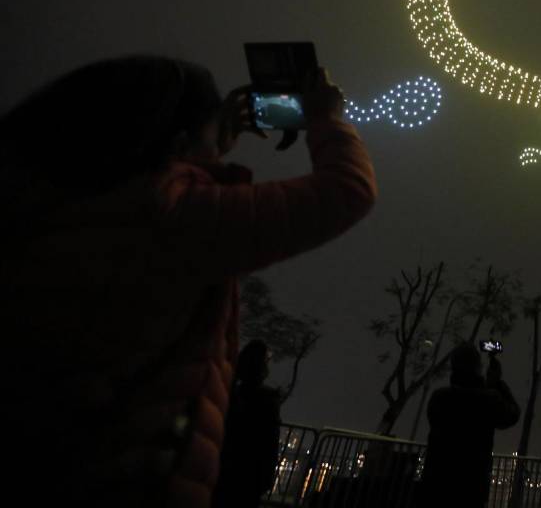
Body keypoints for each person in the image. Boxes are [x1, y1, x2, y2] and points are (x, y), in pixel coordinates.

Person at [0, 55, 376, 508]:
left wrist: (209, 143)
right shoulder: (170, 216)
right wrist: (324, 117)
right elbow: (347, 190)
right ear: (178, 140)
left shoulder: (44, 210)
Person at [418, 343, 520, 507]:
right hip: (471, 488)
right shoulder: (488, 400)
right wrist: (496, 384)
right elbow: (512, 415)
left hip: (436, 483)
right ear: (478, 368)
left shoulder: (439, 398)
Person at [212, 341, 282, 508]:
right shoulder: (267, 401)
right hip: (250, 474)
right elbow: (269, 443)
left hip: (223, 470)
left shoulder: (227, 394)